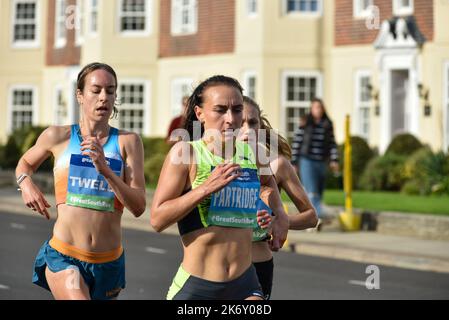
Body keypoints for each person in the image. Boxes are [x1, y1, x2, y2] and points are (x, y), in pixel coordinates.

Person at [150, 75, 289, 300]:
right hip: (198, 286)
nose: (230, 118)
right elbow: (157, 219)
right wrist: (206, 188)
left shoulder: (253, 152)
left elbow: (268, 182)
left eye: (236, 110)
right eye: (220, 110)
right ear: (200, 113)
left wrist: (280, 216)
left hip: (245, 284)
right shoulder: (186, 154)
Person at [15, 62, 146, 300]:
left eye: (110, 90)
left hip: (109, 261)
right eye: (96, 90)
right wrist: (25, 184)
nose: (104, 97)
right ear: (80, 95)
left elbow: (138, 207)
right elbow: (25, 164)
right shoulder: (58, 136)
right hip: (65, 256)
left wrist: (106, 170)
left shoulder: (128, 142)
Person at [239, 96, 318, 299]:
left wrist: (279, 221)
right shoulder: (214, 162)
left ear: (260, 126)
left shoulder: (277, 165)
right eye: (241, 123)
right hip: (219, 262)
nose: (247, 129)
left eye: (253, 122)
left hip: (258, 264)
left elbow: (311, 216)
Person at [291, 98, 339, 220]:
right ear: (311, 109)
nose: (319, 110)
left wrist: (334, 160)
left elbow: (332, 143)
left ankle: (312, 216)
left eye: (320, 107)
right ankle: (316, 216)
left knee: (319, 191)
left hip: (322, 161)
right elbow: (297, 142)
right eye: (316, 107)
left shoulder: (327, 124)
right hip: (307, 161)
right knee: (311, 190)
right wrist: (294, 162)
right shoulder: (305, 123)